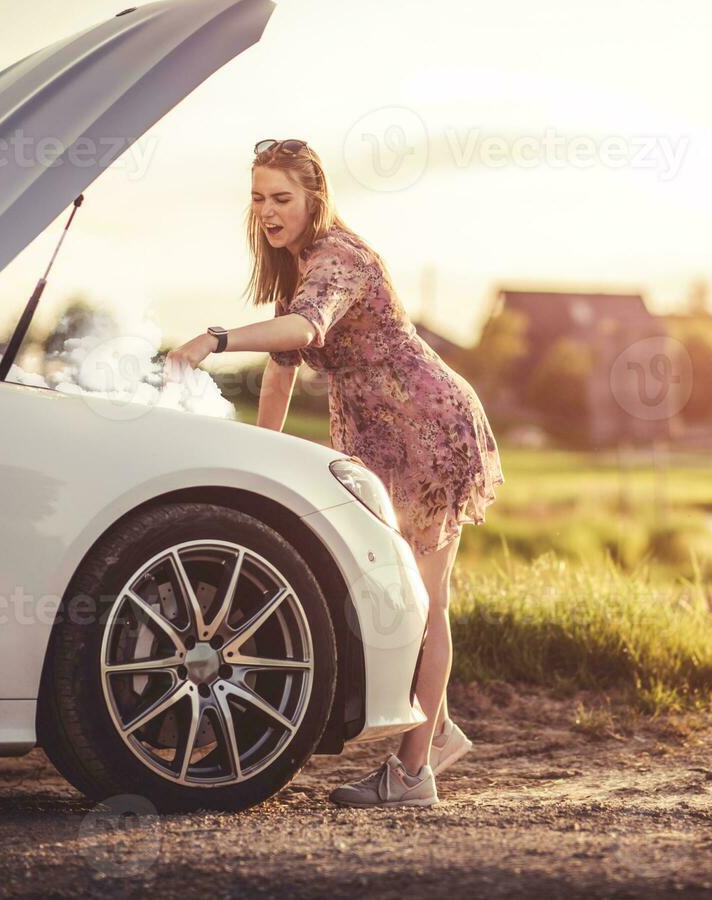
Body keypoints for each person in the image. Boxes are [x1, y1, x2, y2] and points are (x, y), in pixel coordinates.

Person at [166, 139, 505, 807]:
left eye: (282, 198)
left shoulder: (338, 259)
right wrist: (258, 460)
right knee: (404, 592)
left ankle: (413, 775)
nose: (267, 210)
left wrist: (215, 338)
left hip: (428, 427)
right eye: (259, 198)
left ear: (314, 199)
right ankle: (433, 732)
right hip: (386, 436)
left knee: (426, 600)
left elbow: (305, 331)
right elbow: (281, 369)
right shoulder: (296, 267)